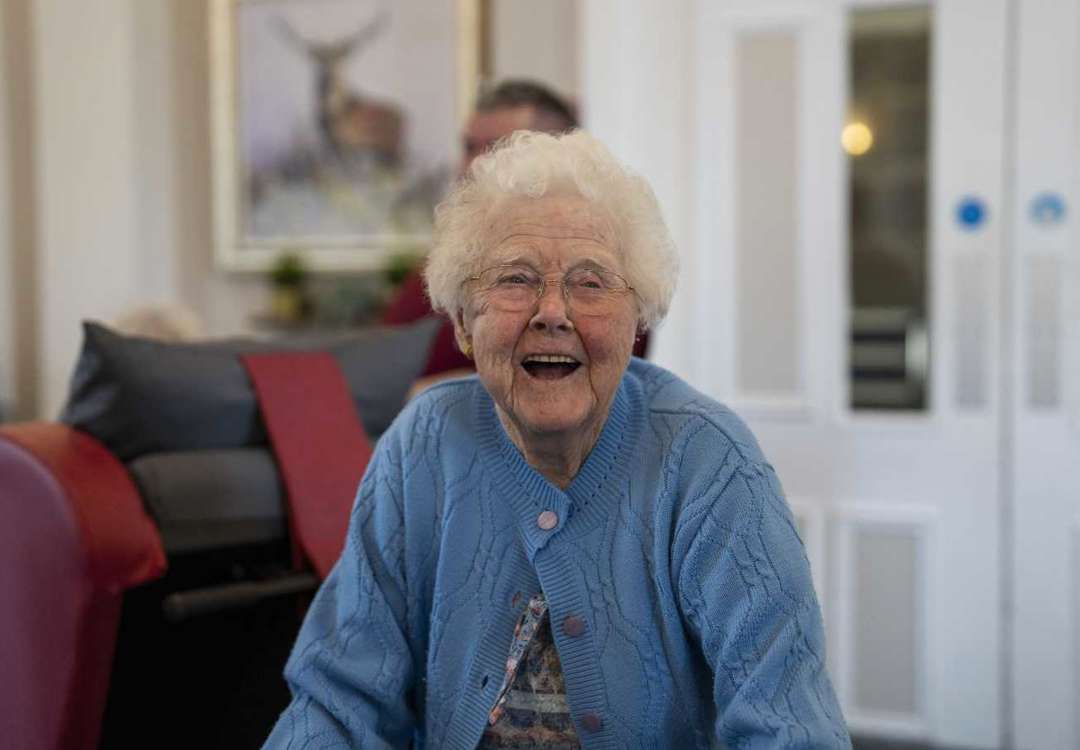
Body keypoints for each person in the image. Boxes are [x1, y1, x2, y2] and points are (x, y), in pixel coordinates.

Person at [263, 131, 850, 748]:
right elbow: (337, 700)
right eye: (515, 279)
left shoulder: (708, 464)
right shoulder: (423, 448)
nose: (552, 312)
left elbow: (788, 724)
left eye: (591, 283)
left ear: (636, 323)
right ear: (463, 321)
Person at [382, 80, 648, 385]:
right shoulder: (437, 270)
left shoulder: (611, 274)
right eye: (469, 147)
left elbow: (595, 380)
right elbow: (382, 374)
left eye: (499, 148)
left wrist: (443, 393)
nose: (474, 165)